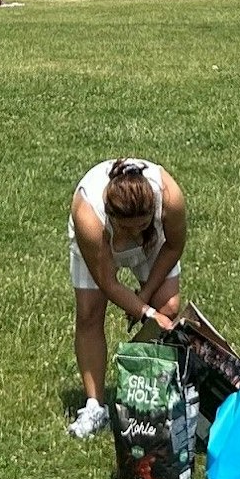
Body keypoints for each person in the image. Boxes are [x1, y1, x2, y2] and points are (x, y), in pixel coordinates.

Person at [66, 158, 188, 439]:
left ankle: (147, 394)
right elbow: (107, 282)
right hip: (100, 244)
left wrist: (144, 298)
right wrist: (146, 312)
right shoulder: (89, 214)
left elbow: (174, 246)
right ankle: (95, 407)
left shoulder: (170, 197)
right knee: (89, 313)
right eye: (125, 227)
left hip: (155, 242)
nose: (133, 234)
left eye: (140, 225)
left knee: (168, 307)